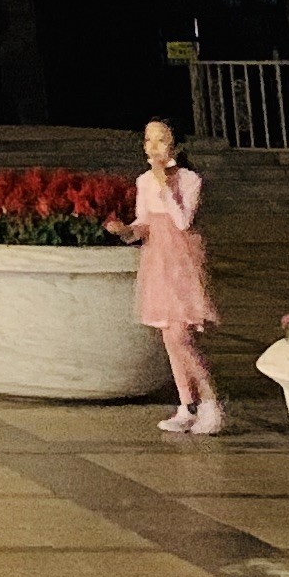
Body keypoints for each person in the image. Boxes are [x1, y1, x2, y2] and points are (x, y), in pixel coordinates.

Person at [113, 117, 221, 434]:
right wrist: (126, 231)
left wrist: (165, 186)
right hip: (156, 261)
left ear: (175, 145)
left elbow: (183, 220)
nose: (153, 147)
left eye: (161, 140)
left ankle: (211, 404)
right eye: (148, 140)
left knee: (180, 337)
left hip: (180, 261)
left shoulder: (188, 179)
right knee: (169, 339)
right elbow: (144, 223)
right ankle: (187, 406)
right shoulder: (143, 181)